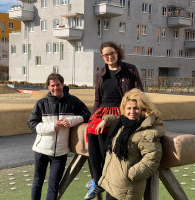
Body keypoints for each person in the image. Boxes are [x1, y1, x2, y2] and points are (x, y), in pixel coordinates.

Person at [84, 41, 144, 199]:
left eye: (112, 53)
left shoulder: (130, 69)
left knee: (104, 136)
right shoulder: (100, 73)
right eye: (106, 55)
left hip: (121, 109)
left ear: (118, 52)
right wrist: (93, 116)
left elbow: (139, 93)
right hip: (102, 110)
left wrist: (131, 112)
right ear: (102, 56)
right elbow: (98, 99)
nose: (109, 57)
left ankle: (108, 176)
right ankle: (98, 180)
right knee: (90, 133)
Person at [27, 73, 91, 200]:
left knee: (53, 186)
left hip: (60, 153)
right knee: (37, 182)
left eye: (58, 85)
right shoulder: (41, 103)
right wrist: (52, 127)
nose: (55, 88)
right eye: (52, 85)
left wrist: (71, 120)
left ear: (63, 85)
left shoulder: (73, 101)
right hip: (41, 151)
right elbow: (32, 124)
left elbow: (88, 116)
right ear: (48, 87)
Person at [96, 88, 165, 200]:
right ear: (124, 109)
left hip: (126, 189)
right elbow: (117, 119)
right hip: (112, 183)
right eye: (129, 108)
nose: (132, 112)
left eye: (136, 108)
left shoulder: (146, 131)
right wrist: (106, 120)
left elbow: (152, 159)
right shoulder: (124, 123)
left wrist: (131, 174)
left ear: (143, 109)